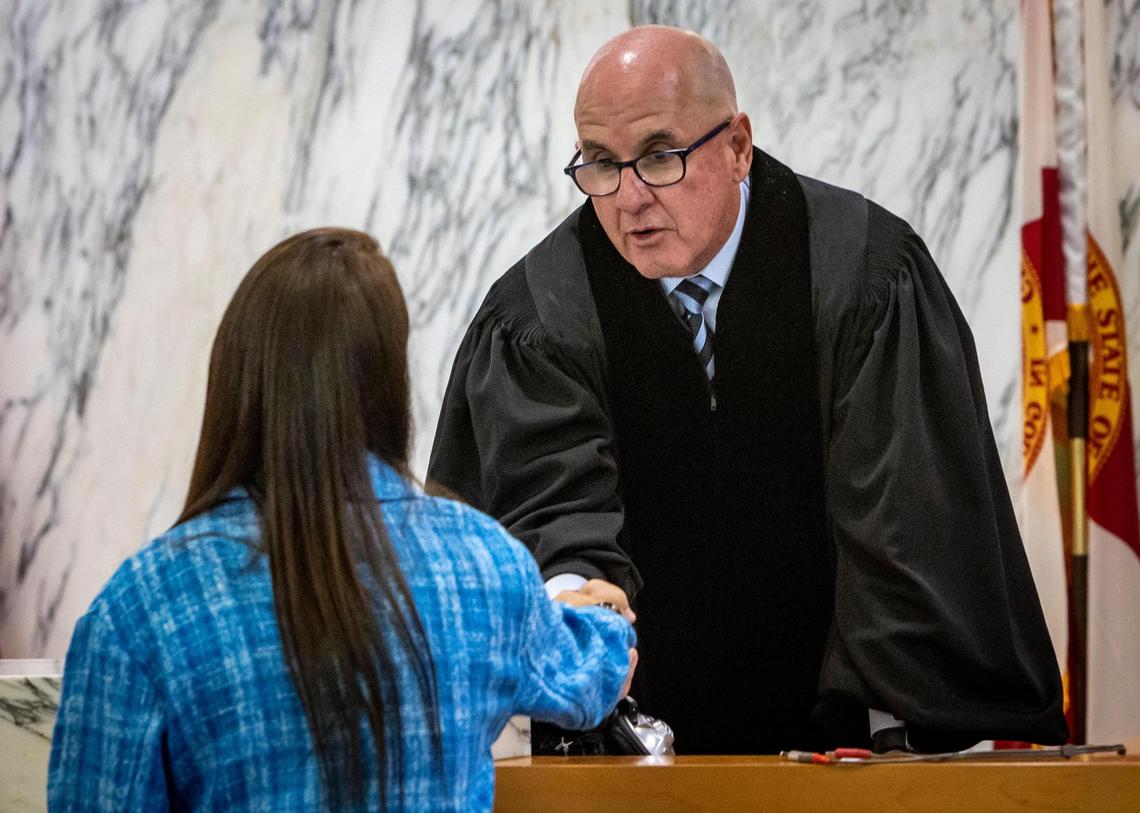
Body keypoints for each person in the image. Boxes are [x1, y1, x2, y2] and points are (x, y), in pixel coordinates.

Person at [429, 26, 1068, 754]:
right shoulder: (541, 316)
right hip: (635, 772)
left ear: (737, 145)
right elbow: (554, 521)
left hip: (840, 765)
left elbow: (910, 546)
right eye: (602, 164)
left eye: (660, 156)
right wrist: (579, 618)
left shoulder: (862, 277)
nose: (630, 197)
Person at [48, 228, 636, 811]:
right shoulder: (483, 568)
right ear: (389, 384)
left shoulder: (139, 608)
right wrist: (604, 614)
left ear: (234, 379)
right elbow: (591, 679)